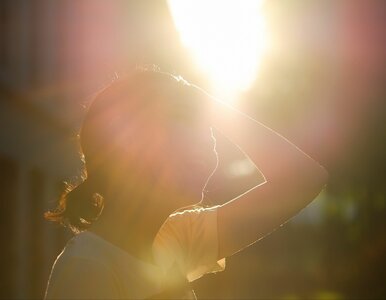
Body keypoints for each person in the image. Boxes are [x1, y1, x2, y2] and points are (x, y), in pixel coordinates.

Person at [44, 68, 328, 299]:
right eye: (182, 120)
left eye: (206, 126)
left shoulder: (176, 238)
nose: (209, 142)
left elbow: (304, 179)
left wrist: (207, 101)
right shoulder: (88, 268)